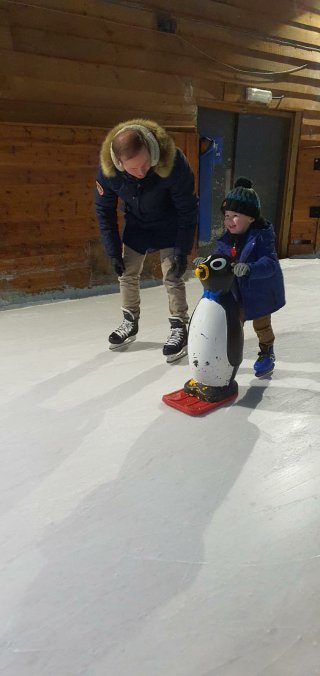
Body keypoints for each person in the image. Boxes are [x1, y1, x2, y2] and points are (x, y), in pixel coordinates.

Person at [95, 118, 198, 361]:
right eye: (133, 169)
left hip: (169, 222)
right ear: (119, 163)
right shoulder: (108, 171)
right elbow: (104, 210)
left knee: (172, 274)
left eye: (144, 165)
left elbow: (187, 208)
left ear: (150, 150)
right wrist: (111, 251)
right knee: (126, 272)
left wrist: (183, 249)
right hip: (138, 224)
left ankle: (178, 326)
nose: (141, 173)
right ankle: (130, 320)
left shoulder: (172, 161)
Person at [213, 177, 285, 377]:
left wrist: (250, 269)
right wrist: (208, 262)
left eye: (235, 215)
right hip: (237, 293)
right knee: (233, 325)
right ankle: (228, 356)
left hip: (259, 292)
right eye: (226, 215)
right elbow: (219, 255)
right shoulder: (228, 237)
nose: (228, 221)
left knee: (261, 325)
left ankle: (266, 352)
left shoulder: (262, 236)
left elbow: (270, 263)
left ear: (251, 217)